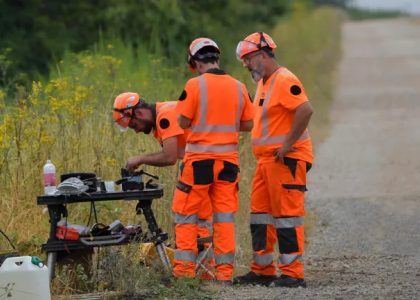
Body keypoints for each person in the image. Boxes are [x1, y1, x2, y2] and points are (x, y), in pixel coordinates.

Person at [233, 32, 314, 288]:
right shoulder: (263, 83)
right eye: (243, 60)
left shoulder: (284, 79)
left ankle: (293, 273)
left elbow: (305, 109)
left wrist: (288, 145)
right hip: (266, 162)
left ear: (264, 55)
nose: (245, 64)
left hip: (286, 160)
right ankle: (263, 270)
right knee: (260, 216)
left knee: (286, 216)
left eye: (248, 59)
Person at [171, 37, 255, 282]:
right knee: (224, 217)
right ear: (216, 58)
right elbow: (248, 124)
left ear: (195, 63)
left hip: (199, 164)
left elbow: (182, 122)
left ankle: (184, 274)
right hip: (228, 164)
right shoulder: (239, 87)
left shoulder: (195, 86)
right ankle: (225, 274)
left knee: (187, 215)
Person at [112, 92, 215, 276]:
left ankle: (188, 272)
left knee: (186, 215)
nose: (136, 131)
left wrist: (141, 158)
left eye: (133, 125)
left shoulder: (165, 116)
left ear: (139, 113)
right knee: (200, 218)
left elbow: (169, 157)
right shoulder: (161, 117)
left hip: (201, 165)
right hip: (204, 164)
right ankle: (205, 271)